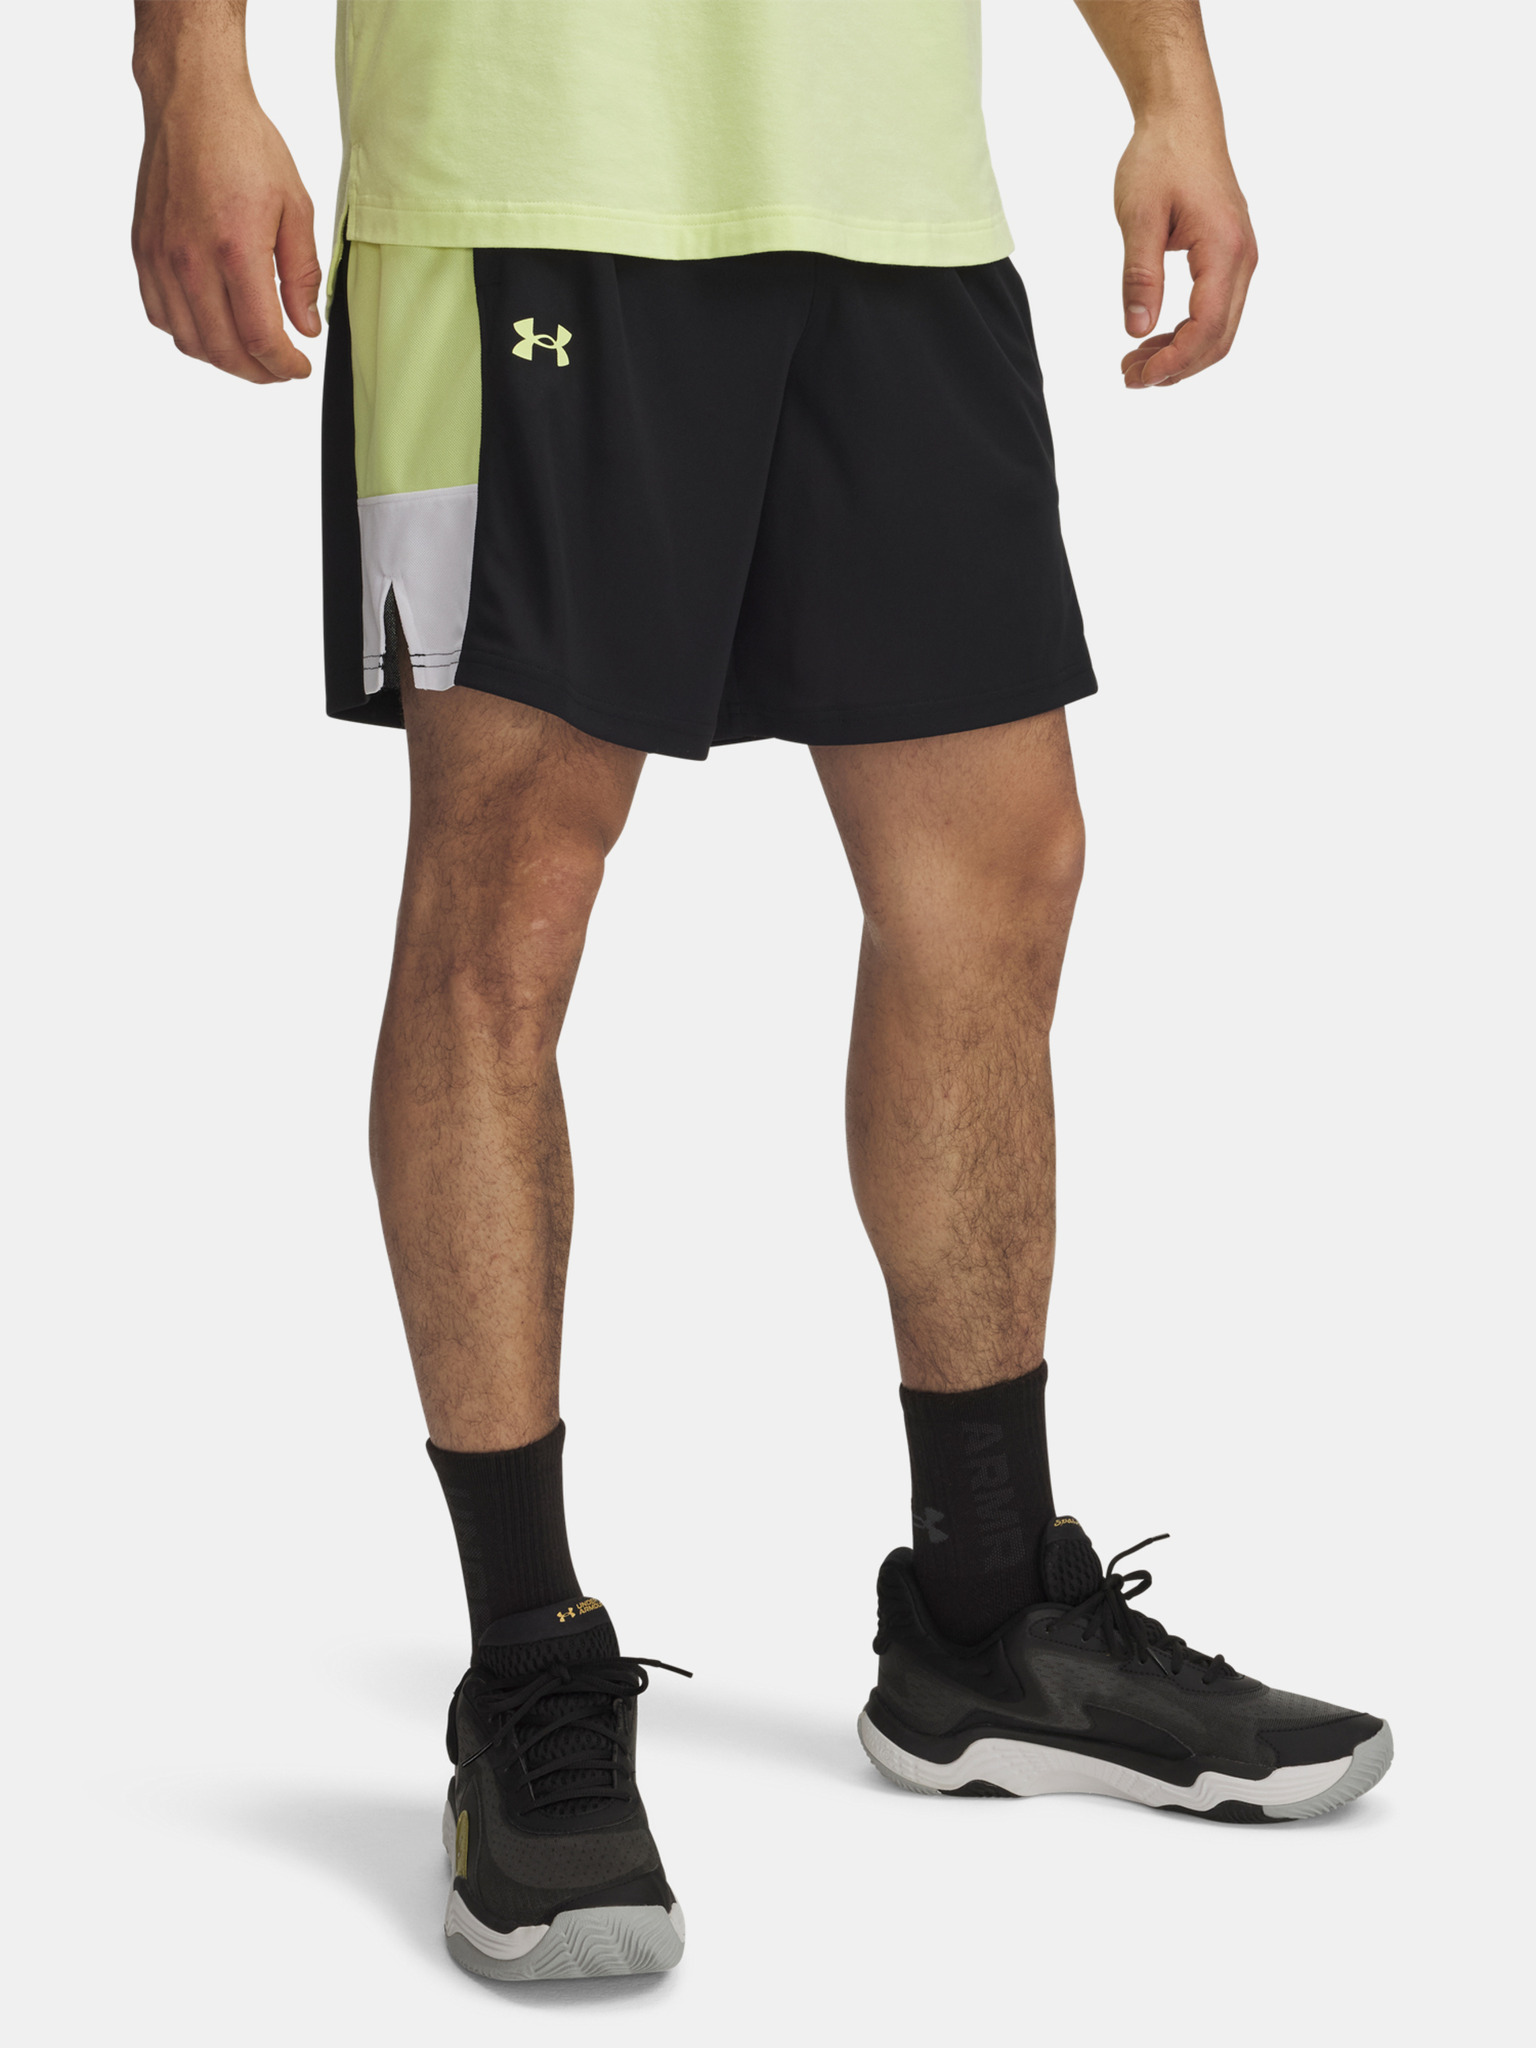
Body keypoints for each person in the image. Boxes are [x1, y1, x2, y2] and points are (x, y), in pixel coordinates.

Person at [131, 0, 1391, 1984]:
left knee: (1001, 871)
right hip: (530, 166)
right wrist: (192, 74)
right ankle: (531, 1667)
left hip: (889, 192)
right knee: (505, 903)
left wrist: (1172, 88)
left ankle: (987, 1612)